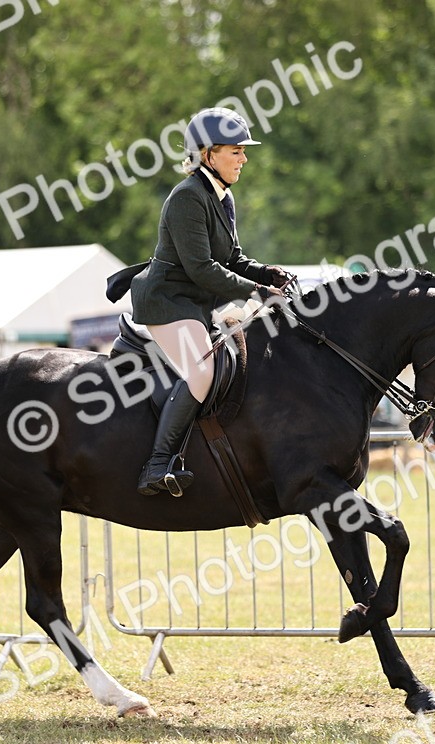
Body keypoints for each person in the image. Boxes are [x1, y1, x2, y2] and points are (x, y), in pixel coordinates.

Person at [128, 107, 292, 496]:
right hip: (168, 302)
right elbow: (201, 268)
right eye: (236, 151)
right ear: (208, 155)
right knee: (202, 371)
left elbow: (232, 258)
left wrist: (266, 273)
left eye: (243, 151)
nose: (243, 159)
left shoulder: (223, 197)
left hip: (194, 304)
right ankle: (157, 465)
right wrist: (256, 292)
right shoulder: (187, 197)